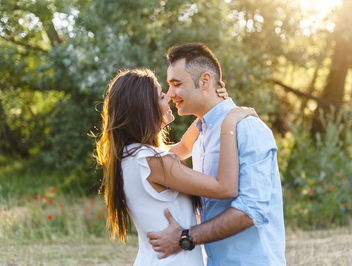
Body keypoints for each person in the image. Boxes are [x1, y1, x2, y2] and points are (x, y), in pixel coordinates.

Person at [95, 68, 256, 266]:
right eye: (162, 96)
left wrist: (214, 107)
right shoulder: (156, 162)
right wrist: (229, 124)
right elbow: (225, 187)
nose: (169, 98)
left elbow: (184, 147)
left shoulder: (130, 156)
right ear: (146, 108)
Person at [147, 43, 286, 265]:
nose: (170, 93)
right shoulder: (201, 135)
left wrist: (185, 237)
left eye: (176, 84)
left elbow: (251, 211)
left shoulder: (246, 128)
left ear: (205, 81)